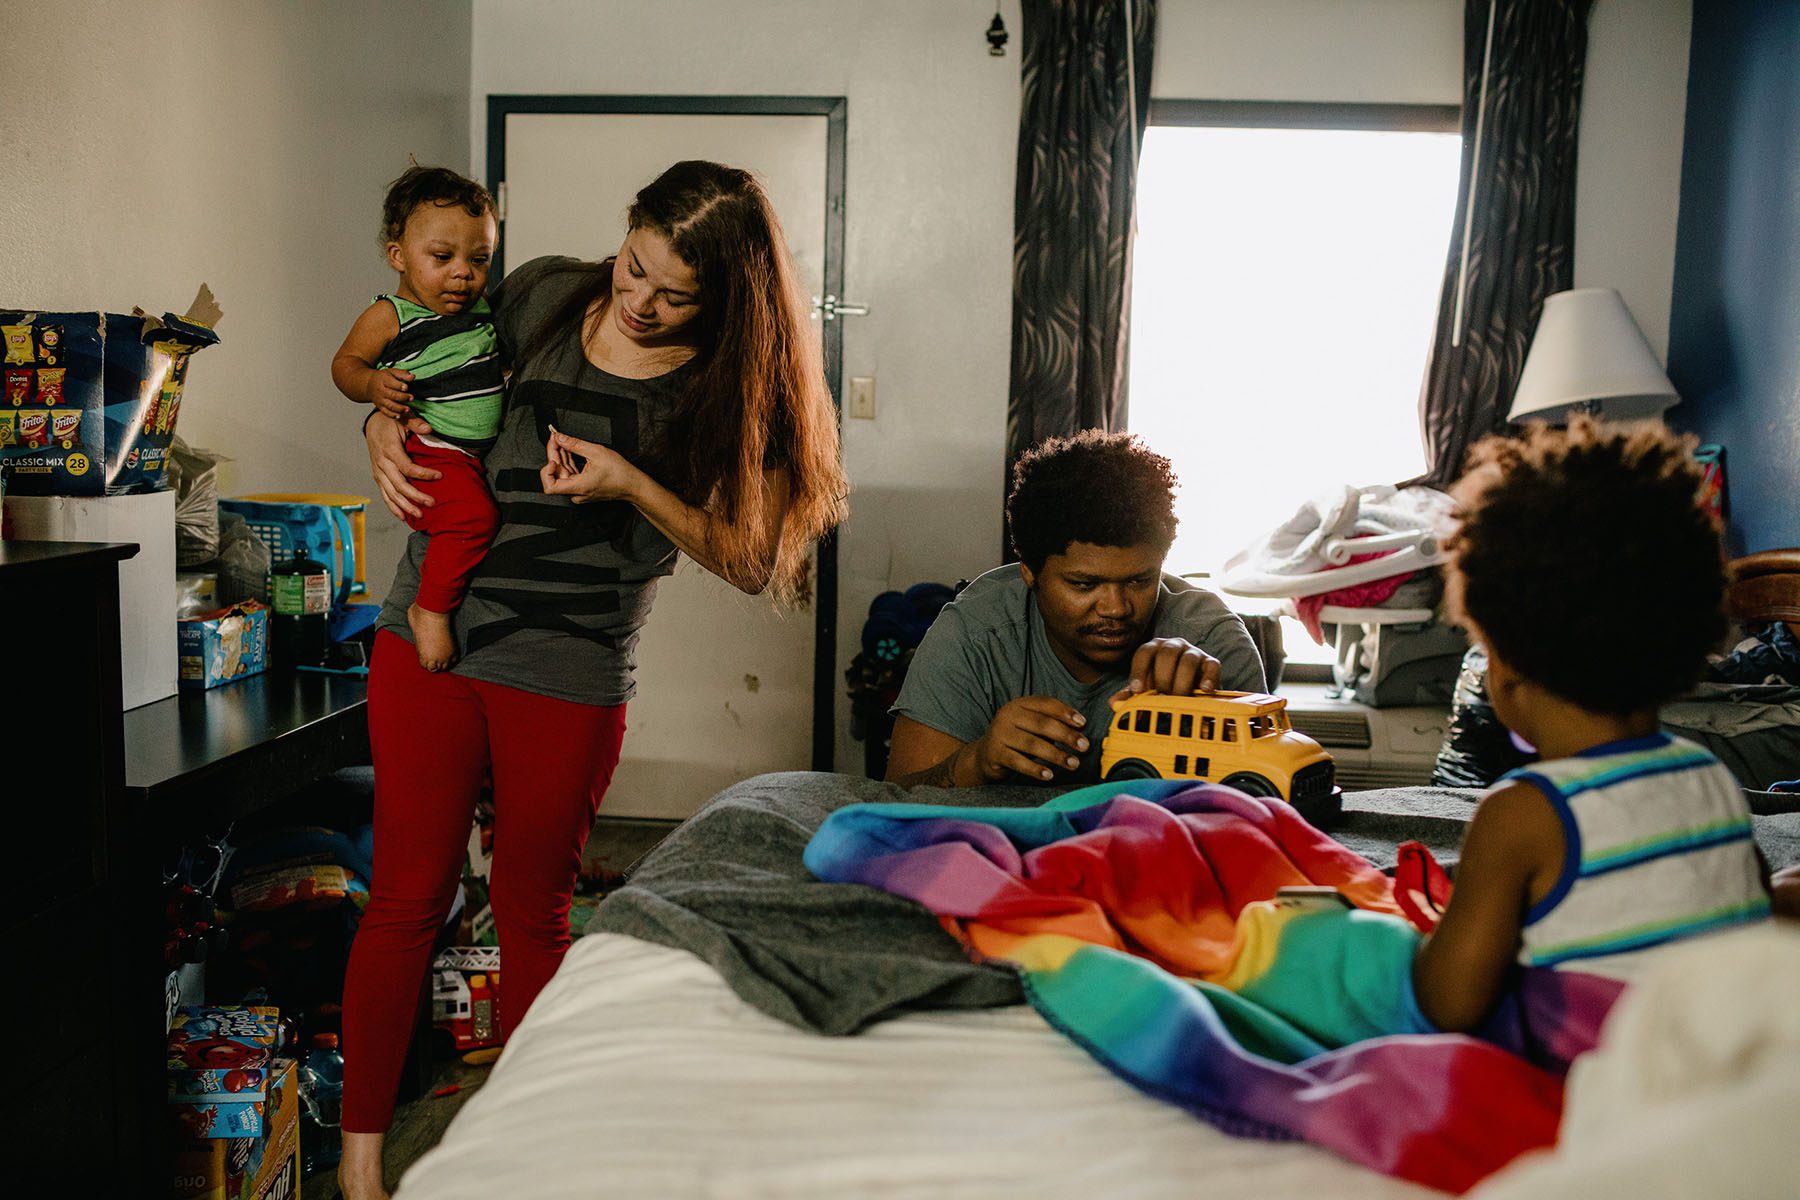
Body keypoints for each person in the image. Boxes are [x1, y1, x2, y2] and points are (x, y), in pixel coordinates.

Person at [338, 160, 848, 1200]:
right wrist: (380, 422)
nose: (638, 300)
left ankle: (538, 1160)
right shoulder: (536, 291)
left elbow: (753, 559)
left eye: (672, 293)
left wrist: (629, 484)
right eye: (633, 267)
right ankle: (357, 1169)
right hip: (428, 640)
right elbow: (414, 373)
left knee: (532, 913)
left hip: (568, 671)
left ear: (727, 299)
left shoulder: (724, 383)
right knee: (402, 903)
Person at [1412, 417, 1772, 1033]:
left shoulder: (1522, 814)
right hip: (1709, 1069)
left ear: (1505, 667)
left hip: (1597, 1092)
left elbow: (1449, 1003)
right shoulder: (1710, 779)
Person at [885, 430, 1266, 789]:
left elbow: (1268, 819)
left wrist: (1210, 710)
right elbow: (892, 801)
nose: (1116, 609)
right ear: (1030, 573)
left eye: (1140, 581)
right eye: (1084, 585)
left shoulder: (1210, 644)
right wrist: (975, 762)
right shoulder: (974, 635)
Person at [332, 164, 504, 671]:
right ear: (398, 256)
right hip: (433, 452)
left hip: (469, 453)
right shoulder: (391, 315)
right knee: (475, 520)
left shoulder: (480, 310)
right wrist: (371, 386)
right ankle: (429, 610)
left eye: (479, 259)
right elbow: (344, 365)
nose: (462, 273)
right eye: (442, 257)